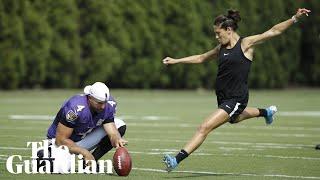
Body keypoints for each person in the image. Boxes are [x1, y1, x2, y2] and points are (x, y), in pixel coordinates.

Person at [162, 8, 311, 172]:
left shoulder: (246, 44)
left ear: (229, 30)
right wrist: (176, 60)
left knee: (204, 127)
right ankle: (266, 112)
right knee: (236, 118)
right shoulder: (220, 48)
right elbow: (201, 58)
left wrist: (294, 18)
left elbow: (274, 31)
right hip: (224, 98)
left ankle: (175, 160)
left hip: (236, 98)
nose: (216, 37)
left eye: (218, 33)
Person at [38, 82, 127, 171]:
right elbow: (61, 140)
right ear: (90, 98)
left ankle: (89, 163)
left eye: (105, 102)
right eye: (99, 103)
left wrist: (116, 138)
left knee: (120, 124)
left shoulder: (108, 105)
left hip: (81, 139)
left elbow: (111, 129)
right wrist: (85, 153)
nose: (103, 106)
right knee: (61, 167)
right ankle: (47, 152)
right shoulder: (75, 108)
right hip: (60, 143)